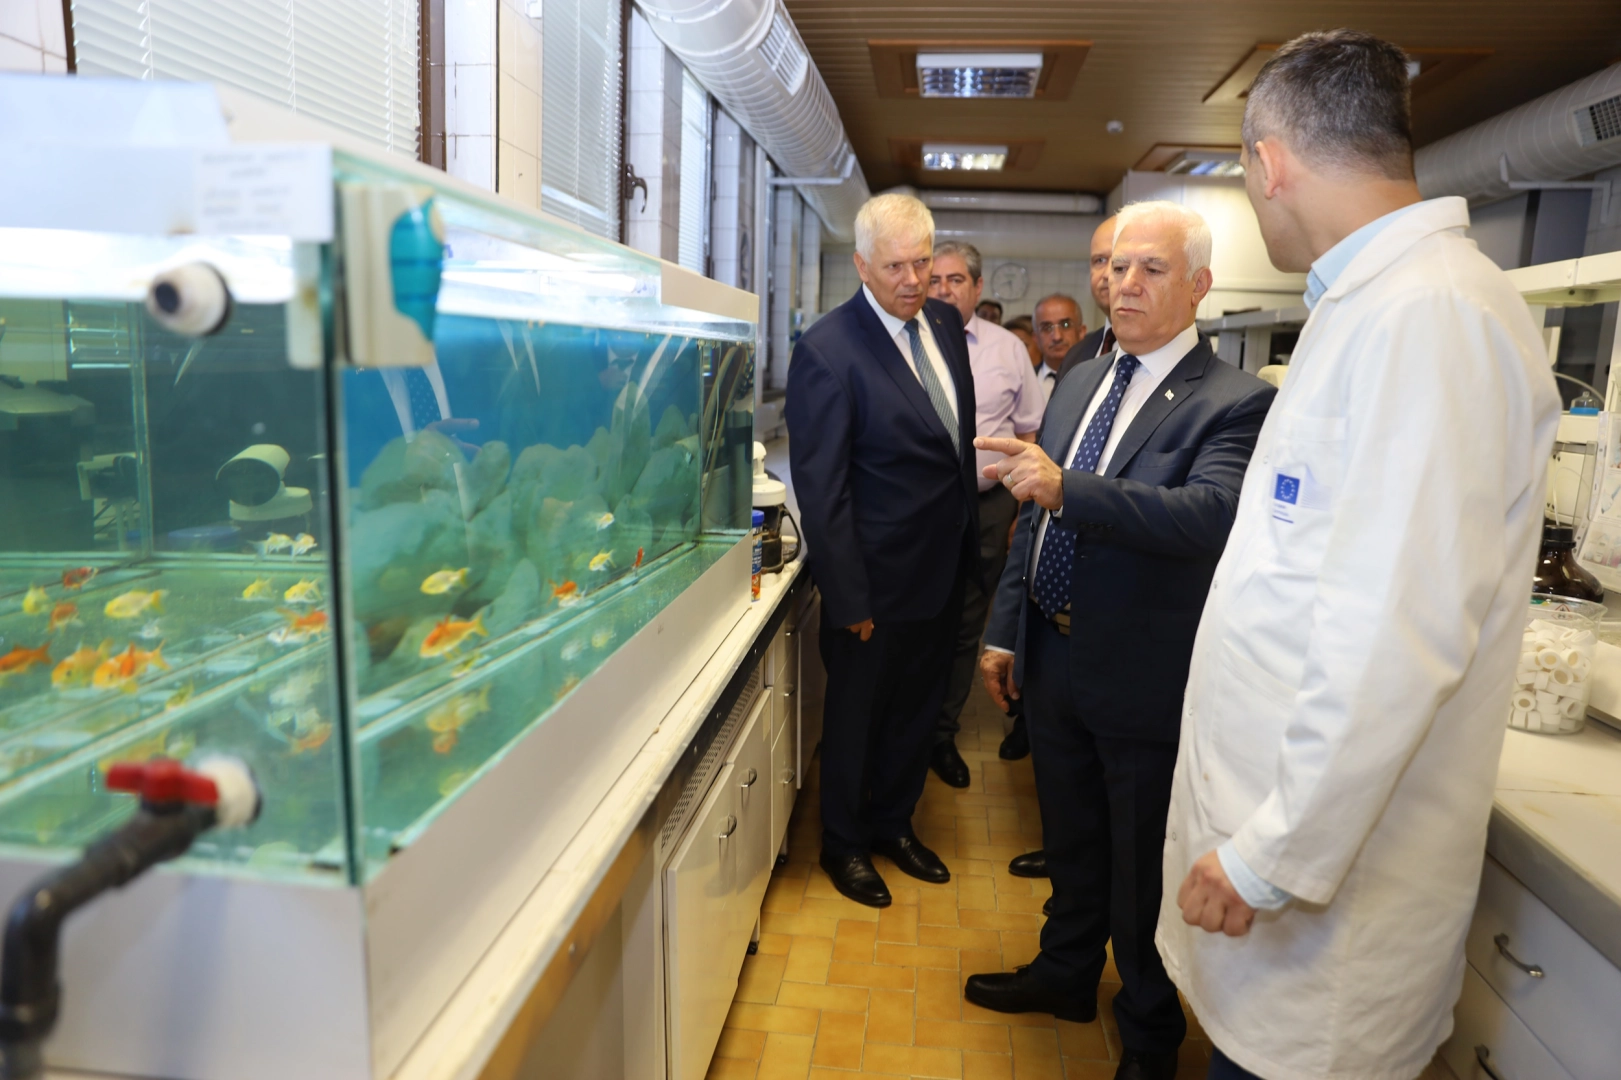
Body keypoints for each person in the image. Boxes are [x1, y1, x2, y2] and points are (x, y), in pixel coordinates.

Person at [1156, 31, 1560, 1080]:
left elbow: (1395, 632)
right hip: (1281, 875)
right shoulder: (1368, 304)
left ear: (1267, 162)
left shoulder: (1431, 316)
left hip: (1323, 912)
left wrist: (1268, 857)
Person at [967, 201, 1275, 1080]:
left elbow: (1207, 516)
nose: (1123, 283)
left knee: (1140, 862)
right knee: (1069, 839)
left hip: (1143, 672)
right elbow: (1032, 518)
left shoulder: (1235, 402)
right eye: (1115, 266)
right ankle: (1065, 972)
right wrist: (1004, 632)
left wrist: (1070, 489)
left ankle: (1147, 1031)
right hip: (1051, 652)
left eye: (1150, 269)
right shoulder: (1079, 380)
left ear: (1199, 286)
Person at [785, 192, 980, 909]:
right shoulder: (828, 350)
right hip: (871, 586)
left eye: (922, 262)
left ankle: (894, 824)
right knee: (855, 723)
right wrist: (849, 597)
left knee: (915, 715)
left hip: (940, 573)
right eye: (895, 266)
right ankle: (843, 844)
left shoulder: (943, 323)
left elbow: (952, 449)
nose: (913, 279)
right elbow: (823, 488)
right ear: (862, 265)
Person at [926, 241, 1045, 788]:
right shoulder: (910, 342)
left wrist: (1023, 509)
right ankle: (907, 728)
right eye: (935, 280)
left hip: (991, 506)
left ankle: (940, 735)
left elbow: (1029, 434)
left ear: (977, 287)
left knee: (967, 620)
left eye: (956, 280)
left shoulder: (1007, 348)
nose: (944, 290)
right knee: (918, 619)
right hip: (924, 508)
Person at [1058, 216, 1120, 382]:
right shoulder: (1075, 355)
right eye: (1100, 260)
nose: (1107, 274)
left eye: (1119, 260)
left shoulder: (1167, 351)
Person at [1032, 294, 1085, 400]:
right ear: (1036, 338)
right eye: (1047, 328)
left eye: (1065, 325)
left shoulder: (1100, 377)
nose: (1057, 337)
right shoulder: (1024, 381)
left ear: (1081, 332)